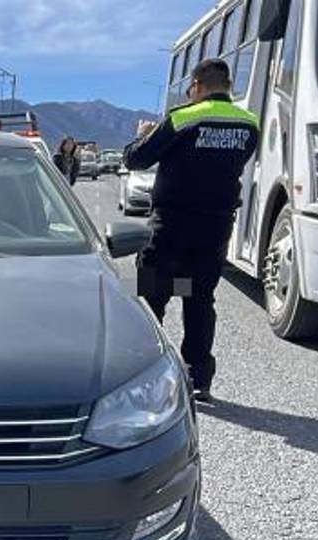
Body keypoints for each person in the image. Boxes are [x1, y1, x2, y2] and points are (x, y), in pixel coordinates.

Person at [124, 58, 259, 403]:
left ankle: (143, 375)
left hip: (171, 226)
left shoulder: (183, 117)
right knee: (199, 299)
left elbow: (136, 160)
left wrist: (142, 136)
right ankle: (199, 378)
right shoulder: (249, 123)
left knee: (152, 296)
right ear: (228, 85)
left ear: (197, 86)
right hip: (215, 228)